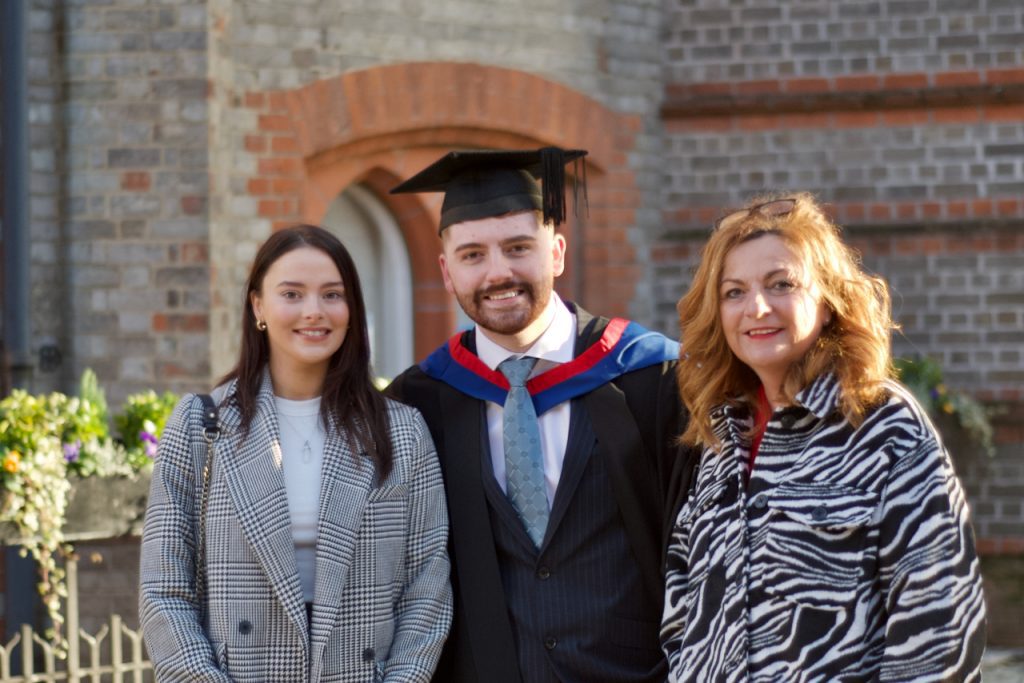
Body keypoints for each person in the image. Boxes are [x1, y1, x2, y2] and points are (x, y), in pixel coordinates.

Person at [387, 147, 695, 683]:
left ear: (556, 252)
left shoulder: (652, 378)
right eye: (473, 255)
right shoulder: (420, 402)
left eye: (518, 247)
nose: (498, 272)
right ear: (446, 269)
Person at [661, 193, 987, 681]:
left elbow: (940, 626)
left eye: (781, 284)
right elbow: (681, 601)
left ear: (829, 302)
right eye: (734, 292)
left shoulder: (883, 426)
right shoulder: (720, 437)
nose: (756, 307)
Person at [139, 225, 452, 682]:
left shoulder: (401, 431)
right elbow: (164, 590)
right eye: (292, 294)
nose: (314, 312)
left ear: (351, 309)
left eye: (332, 295)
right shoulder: (200, 425)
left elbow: (427, 586)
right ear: (258, 306)